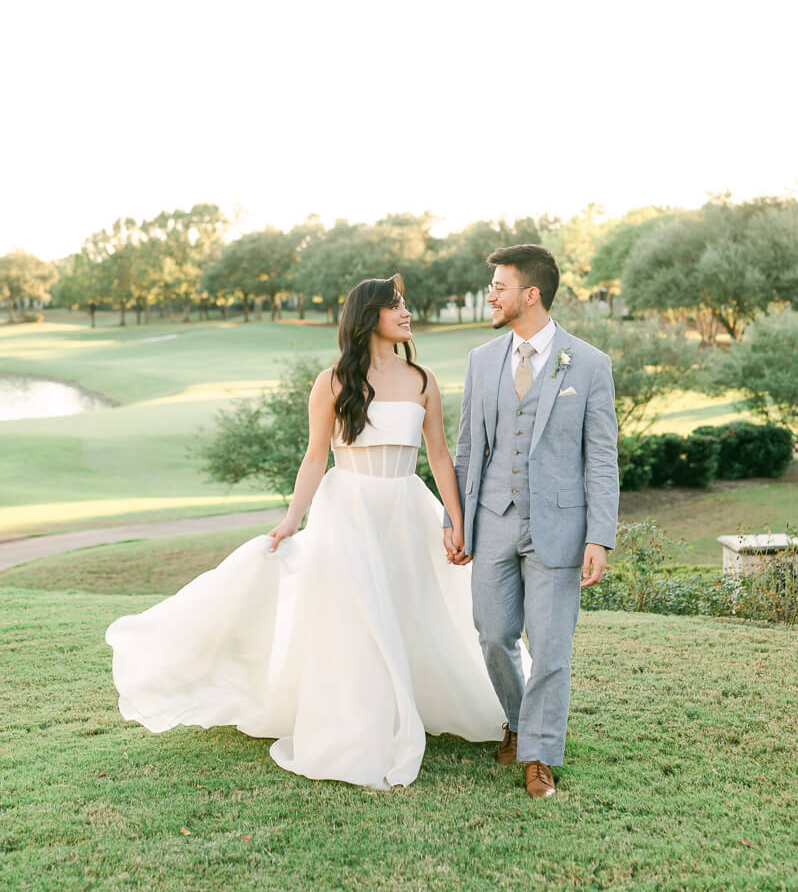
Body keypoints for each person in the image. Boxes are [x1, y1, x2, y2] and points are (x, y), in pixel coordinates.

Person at [106, 275, 514, 791]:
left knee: (411, 609)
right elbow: (314, 457)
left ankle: (414, 702)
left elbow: (438, 455)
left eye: (405, 304)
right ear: (370, 317)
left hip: (406, 507)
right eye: (396, 305)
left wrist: (453, 520)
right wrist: (290, 518)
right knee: (358, 618)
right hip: (346, 511)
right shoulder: (332, 382)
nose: (407, 312)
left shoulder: (422, 379)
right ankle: (360, 722)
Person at [443, 244, 619, 800]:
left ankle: (538, 753)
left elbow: (602, 457)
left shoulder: (588, 364)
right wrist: (458, 521)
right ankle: (519, 721)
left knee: (550, 646)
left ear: (531, 294)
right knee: (494, 636)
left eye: (499, 285)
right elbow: (469, 448)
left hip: (560, 528)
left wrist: (600, 536)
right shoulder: (481, 360)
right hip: (492, 519)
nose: (491, 295)